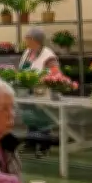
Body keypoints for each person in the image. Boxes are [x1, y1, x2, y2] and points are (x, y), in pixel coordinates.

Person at [19, 27, 60, 156]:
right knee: (29, 117)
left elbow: (55, 73)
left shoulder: (48, 55)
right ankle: (31, 143)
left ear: (34, 39)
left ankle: (44, 145)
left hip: (42, 91)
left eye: (27, 38)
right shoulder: (27, 53)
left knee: (42, 119)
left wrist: (41, 78)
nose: (25, 40)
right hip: (27, 90)